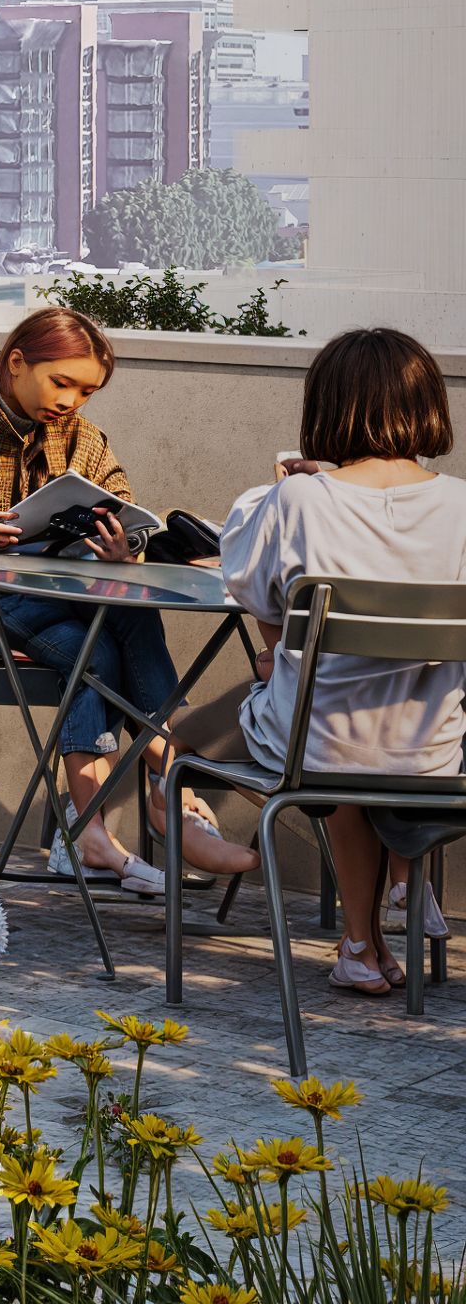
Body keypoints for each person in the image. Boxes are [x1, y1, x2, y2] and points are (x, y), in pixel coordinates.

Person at [0, 304, 240, 891]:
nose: (70, 401)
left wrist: (125, 546)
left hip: (50, 603)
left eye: (86, 391)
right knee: (93, 640)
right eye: (61, 381)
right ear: (17, 363)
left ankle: (102, 824)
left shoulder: (81, 438)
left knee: (109, 625)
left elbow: (122, 502)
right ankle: (167, 785)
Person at [213, 326, 466, 1001]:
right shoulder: (463, 504)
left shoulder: (299, 498)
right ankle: (400, 896)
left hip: (318, 744)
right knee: (376, 729)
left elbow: (257, 594)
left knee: (325, 729)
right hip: (434, 750)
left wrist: (276, 655)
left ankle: (362, 942)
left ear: (327, 406)